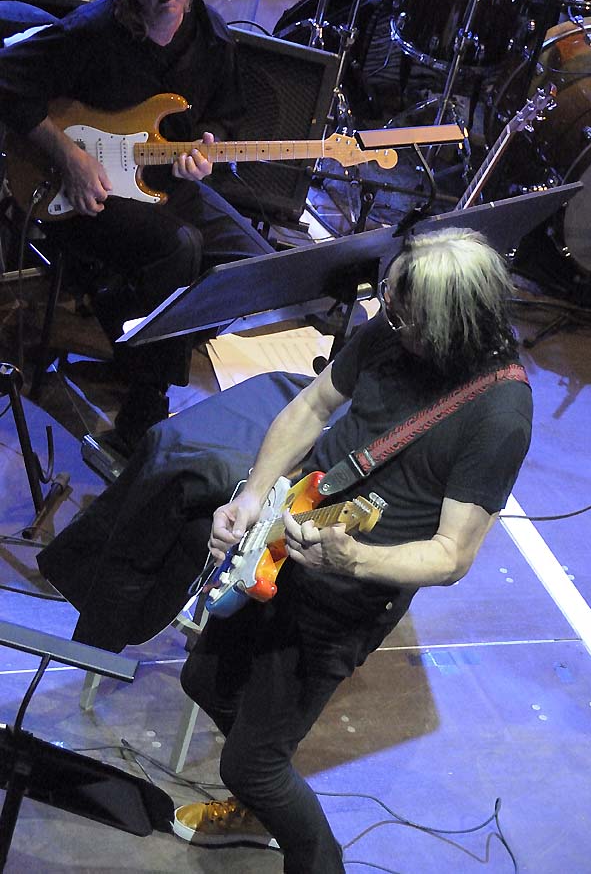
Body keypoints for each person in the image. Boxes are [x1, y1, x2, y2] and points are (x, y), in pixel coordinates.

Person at [171, 227, 534, 873]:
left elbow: (451, 555)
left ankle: (313, 854)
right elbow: (312, 407)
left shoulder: (499, 413)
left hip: (344, 599)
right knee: (203, 679)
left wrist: (354, 560)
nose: (390, 317)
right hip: (285, 538)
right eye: (391, 302)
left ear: (448, 326)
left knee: (250, 764)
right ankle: (263, 802)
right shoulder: (394, 330)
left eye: (406, 314)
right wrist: (253, 498)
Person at [0, 0, 273, 452]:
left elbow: (225, 117)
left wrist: (209, 147)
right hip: (79, 189)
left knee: (253, 264)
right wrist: (69, 156)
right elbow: (6, 79)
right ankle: (141, 417)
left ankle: (130, 329)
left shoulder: (212, 38)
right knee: (180, 250)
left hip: (163, 182)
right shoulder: (90, 33)